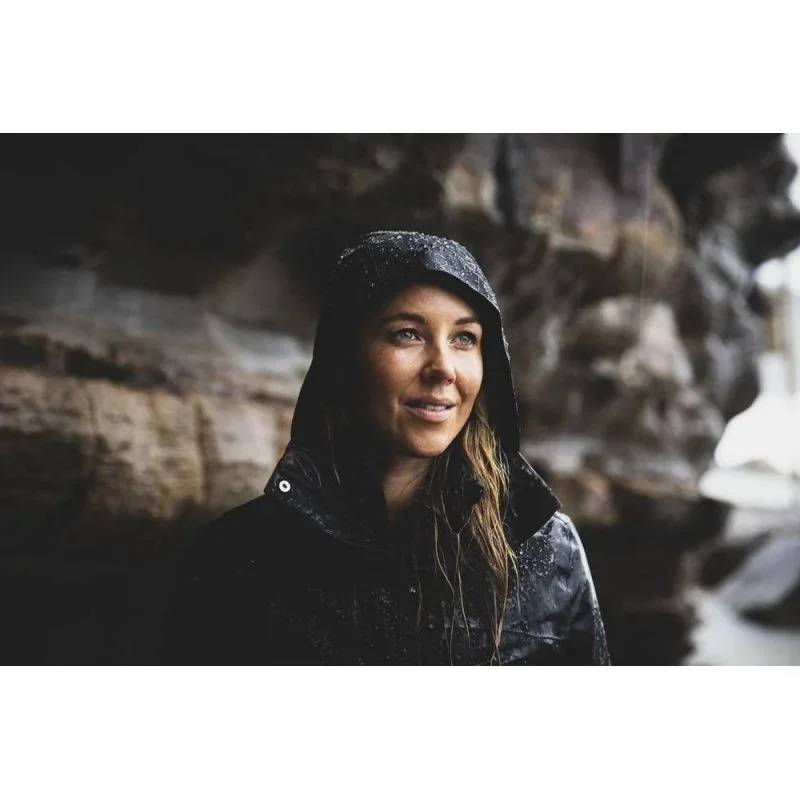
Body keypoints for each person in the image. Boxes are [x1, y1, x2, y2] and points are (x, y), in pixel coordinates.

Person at [162, 231, 610, 665]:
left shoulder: (546, 550)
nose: (443, 368)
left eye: (464, 338)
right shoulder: (239, 558)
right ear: (345, 356)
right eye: (407, 334)